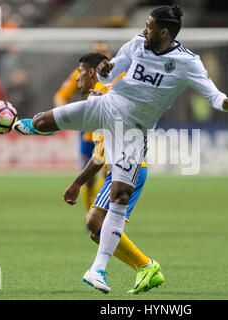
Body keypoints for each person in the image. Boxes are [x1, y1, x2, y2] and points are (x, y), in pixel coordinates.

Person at [13, 4, 228, 293]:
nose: (144, 29)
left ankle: (98, 269)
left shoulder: (187, 62)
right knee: (43, 121)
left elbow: (214, 96)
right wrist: (103, 71)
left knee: (120, 195)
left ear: (163, 32)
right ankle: (9, 124)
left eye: (149, 26)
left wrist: (227, 104)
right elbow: (109, 78)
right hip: (106, 107)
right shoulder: (137, 43)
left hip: (133, 131)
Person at [61, 52, 164, 293]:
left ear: (92, 73)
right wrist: (77, 183)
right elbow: (99, 154)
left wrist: (76, 183)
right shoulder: (99, 102)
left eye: (80, 73)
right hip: (120, 169)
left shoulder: (109, 96)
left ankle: (140, 266)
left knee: (94, 222)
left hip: (127, 169)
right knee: (96, 230)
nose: (77, 79)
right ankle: (145, 266)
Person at [54, 41, 118, 211]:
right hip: (89, 132)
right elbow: (61, 96)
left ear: (110, 54)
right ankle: (91, 215)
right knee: (88, 179)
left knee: (109, 173)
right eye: (97, 51)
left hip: (111, 131)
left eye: (104, 51)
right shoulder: (81, 73)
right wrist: (66, 117)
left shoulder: (121, 73)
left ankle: (101, 215)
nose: (101, 54)